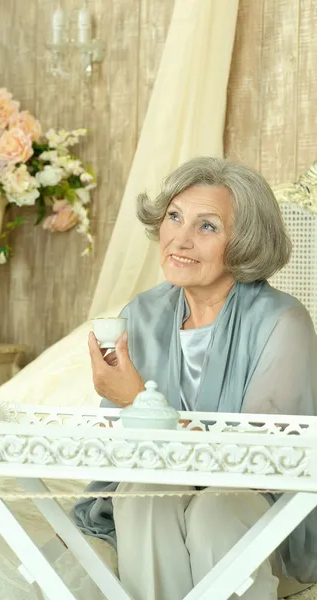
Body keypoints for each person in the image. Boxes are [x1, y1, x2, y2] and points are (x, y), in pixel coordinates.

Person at [73, 157, 317, 600]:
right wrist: (123, 409)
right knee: (143, 494)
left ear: (243, 242)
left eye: (207, 227)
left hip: (260, 506)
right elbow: (126, 453)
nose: (179, 240)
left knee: (215, 509)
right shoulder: (139, 316)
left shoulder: (284, 322)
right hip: (162, 486)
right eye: (174, 217)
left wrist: (138, 402)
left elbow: (259, 463)